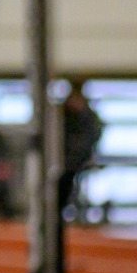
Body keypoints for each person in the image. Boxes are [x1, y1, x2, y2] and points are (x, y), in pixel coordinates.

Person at [58, 80, 104, 222]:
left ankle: (79, 215)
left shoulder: (87, 117)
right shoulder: (65, 115)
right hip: (65, 162)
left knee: (75, 188)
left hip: (80, 161)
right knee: (65, 190)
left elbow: (93, 135)